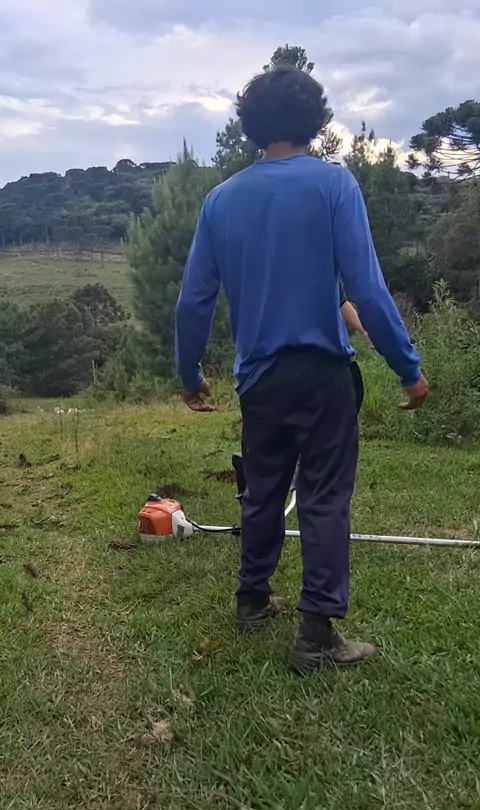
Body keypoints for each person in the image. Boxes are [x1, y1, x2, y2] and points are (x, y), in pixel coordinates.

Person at [175, 66, 429, 675]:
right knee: (324, 497)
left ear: (251, 124)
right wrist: (407, 367)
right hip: (322, 376)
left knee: (262, 490)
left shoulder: (221, 199)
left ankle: (251, 601)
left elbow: (192, 301)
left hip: (259, 379)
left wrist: (189, 373)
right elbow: (367, 289)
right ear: (315, 120)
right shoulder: (334, 185)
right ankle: (316, 636)